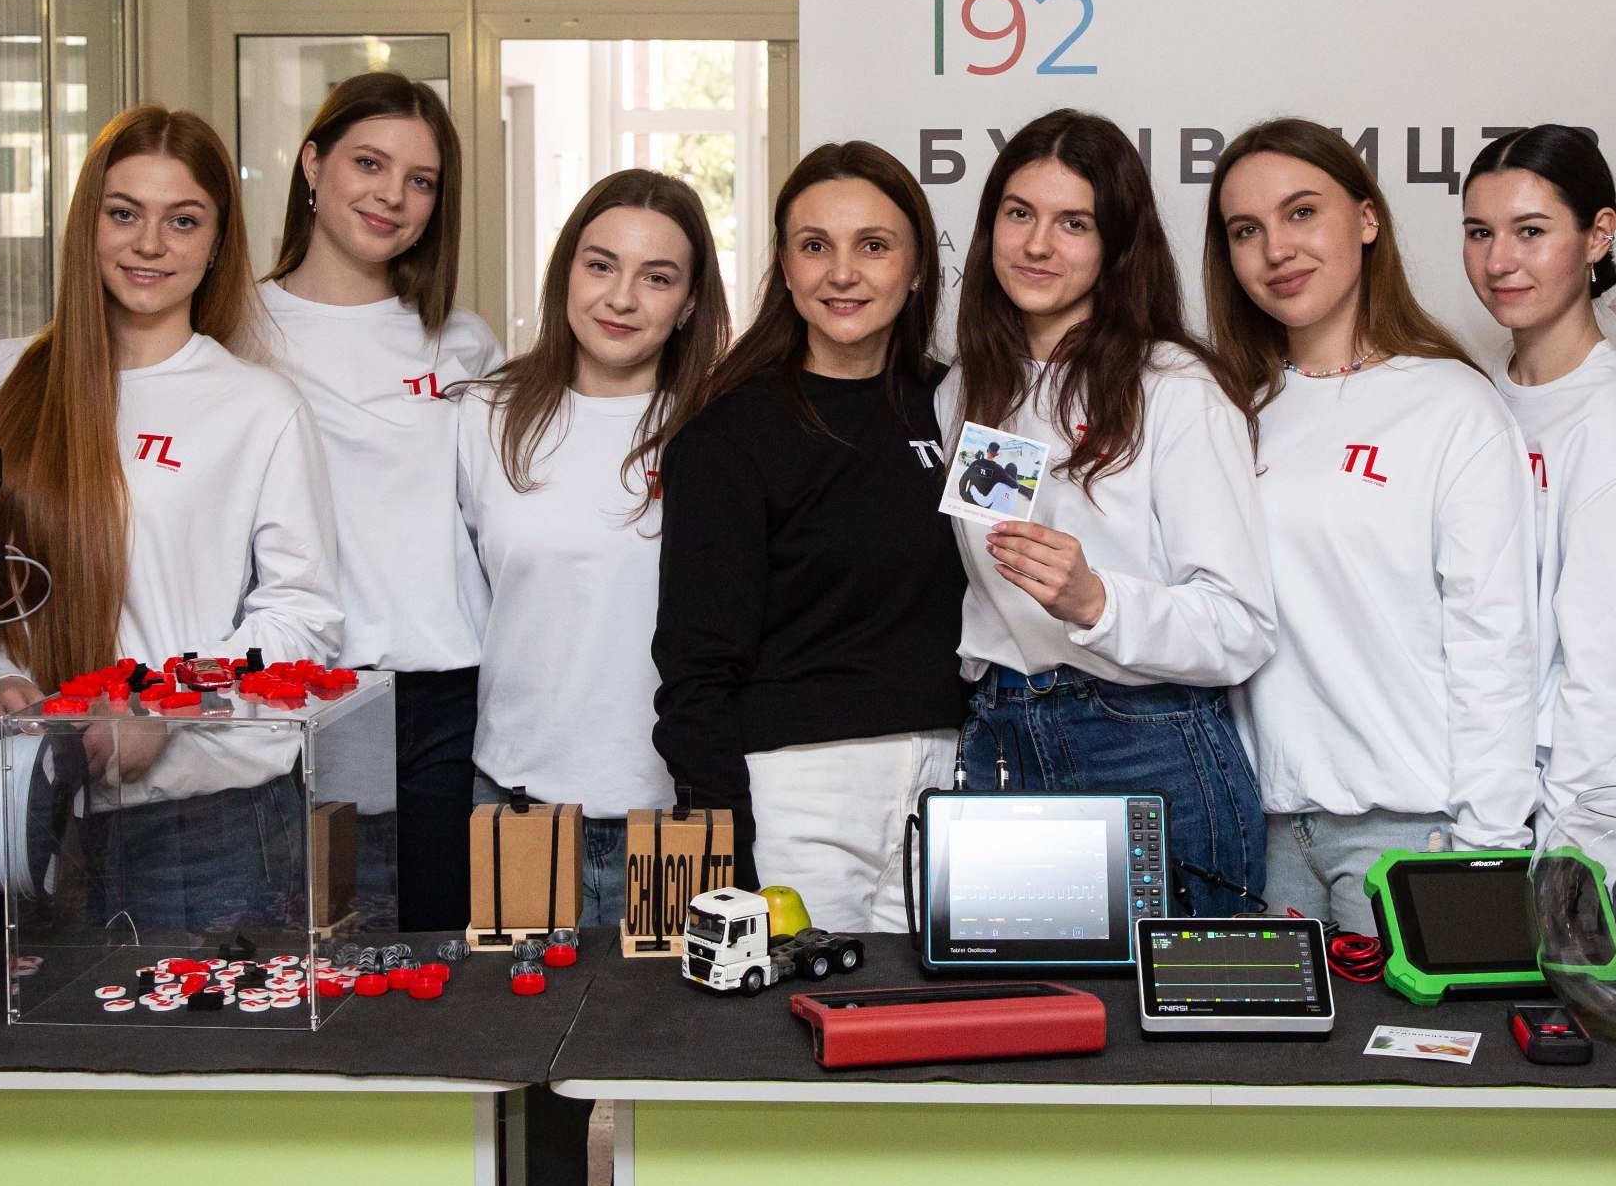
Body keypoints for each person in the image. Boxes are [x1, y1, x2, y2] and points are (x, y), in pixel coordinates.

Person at [0, 106, 343, 931]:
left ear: (217, 241)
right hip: (17, 813)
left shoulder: (258, 407)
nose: (151, 244)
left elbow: (304, 617)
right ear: (87, 223)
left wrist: (164, 703)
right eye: (124, 213)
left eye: (184, 220)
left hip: (204, 832)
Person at [1206, 119, 1537, 932]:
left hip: (1411, 833)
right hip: (1266, 832)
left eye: (1301, 213)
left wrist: (1490, 849)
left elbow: (1494, 644)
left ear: (1366, 219)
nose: (1276, 250)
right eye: (1246, 230)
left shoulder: (1451, 405)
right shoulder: (1227, 411)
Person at [945, 110, 1275, 916]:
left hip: (1144, 743)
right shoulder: (964, 389)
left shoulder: (1176, 390)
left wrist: (1098, 601)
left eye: (1074, 223)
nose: (1037, 245)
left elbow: (1241, 626)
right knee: (1014, 993)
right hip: (1001, 738)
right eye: (1019, 214)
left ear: (1116, 244)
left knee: (1176, 999)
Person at [652, 142, 969, 934]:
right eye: (815, 245)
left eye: (874, 245)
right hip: (799, 796)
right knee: (805, 1010)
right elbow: (695, 673)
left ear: (917, 267)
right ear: (786, 268)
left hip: (956, 785)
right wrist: (731, 851)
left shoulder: (965, 409)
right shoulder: (728, 437)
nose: (843, 273)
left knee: (944, 1011)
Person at [261, 70, 502, 932]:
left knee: (442, 954)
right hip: (308, 696)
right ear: (312, 164)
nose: (392, 196)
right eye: (369, 163)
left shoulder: (463, 340)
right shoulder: (238, 331)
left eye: (421, 180)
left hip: (450, 692)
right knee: (319, 956)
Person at [458, 169, 727, 933]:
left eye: (657, 278)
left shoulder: (721, 428)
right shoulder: (485, 415)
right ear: (566, 271)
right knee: (517, 1010)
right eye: (601, 264)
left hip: (677, 816)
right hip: (518, 804)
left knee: (667, 1012)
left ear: (690, 303)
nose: (621, 298)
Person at [1461, 124, 1616, 827]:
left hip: (1547, 809)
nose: (1499, 261)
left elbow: (1606, 678)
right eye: (1480, 233)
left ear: (1598, 235)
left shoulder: (1612, 421)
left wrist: (1571, 862)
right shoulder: (1476, 392)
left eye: (1531, 231)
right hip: (1469, 783)